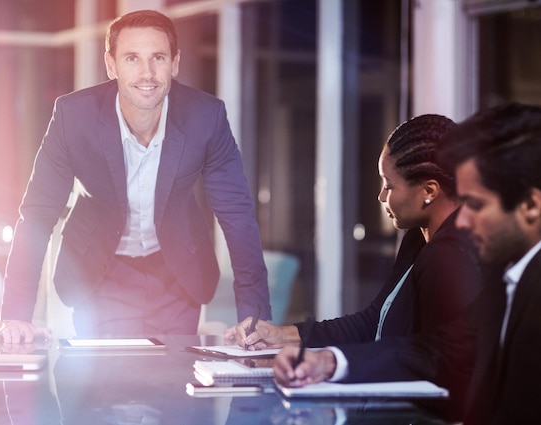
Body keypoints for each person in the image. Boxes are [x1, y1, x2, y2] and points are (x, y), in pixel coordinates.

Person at [0, 9, 271, 343]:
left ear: (175, 62)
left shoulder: (206, 117)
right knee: (102, 385)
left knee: (173, 385)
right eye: (132, 59)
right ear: (111, 65)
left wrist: (255, 319)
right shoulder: (73, 116)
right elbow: (38, 214)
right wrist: (16, 316)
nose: (147, 73)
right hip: (101, 272)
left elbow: (237, 214)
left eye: (158, 58)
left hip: (176, 276)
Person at [227, 114, 482, 417]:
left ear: (429, 191)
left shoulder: (452, 256)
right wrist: (282, 336)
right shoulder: (418, 238)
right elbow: (374, 322)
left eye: (390, 185)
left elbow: (440, 356)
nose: (381, 197)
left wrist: (330, 362)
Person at [435, 102, 541, 425]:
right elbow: (444, 348)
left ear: (530, 205)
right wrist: (331, 361)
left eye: (474, 205)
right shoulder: (508, 274)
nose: (462, 221)